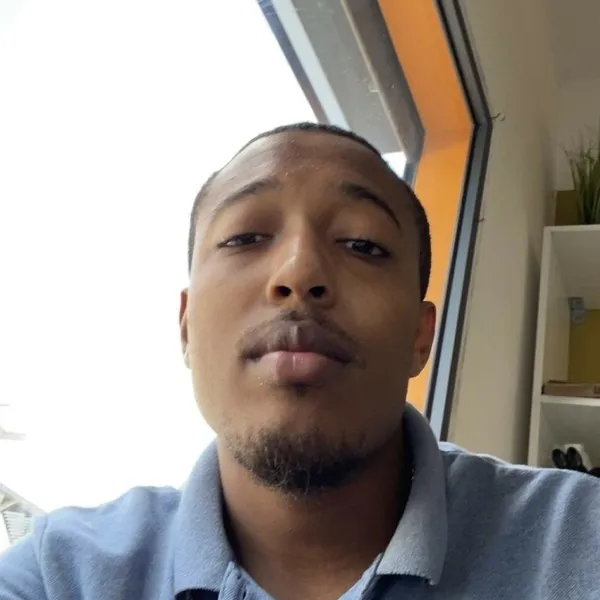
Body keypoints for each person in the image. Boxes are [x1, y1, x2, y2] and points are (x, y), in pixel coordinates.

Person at [1, 122, 600, 600]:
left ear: (421, 338)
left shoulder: (581, 538)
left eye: (363, 244)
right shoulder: (59, 575)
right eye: (245, 238)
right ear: (186, 325)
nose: (299, 271)